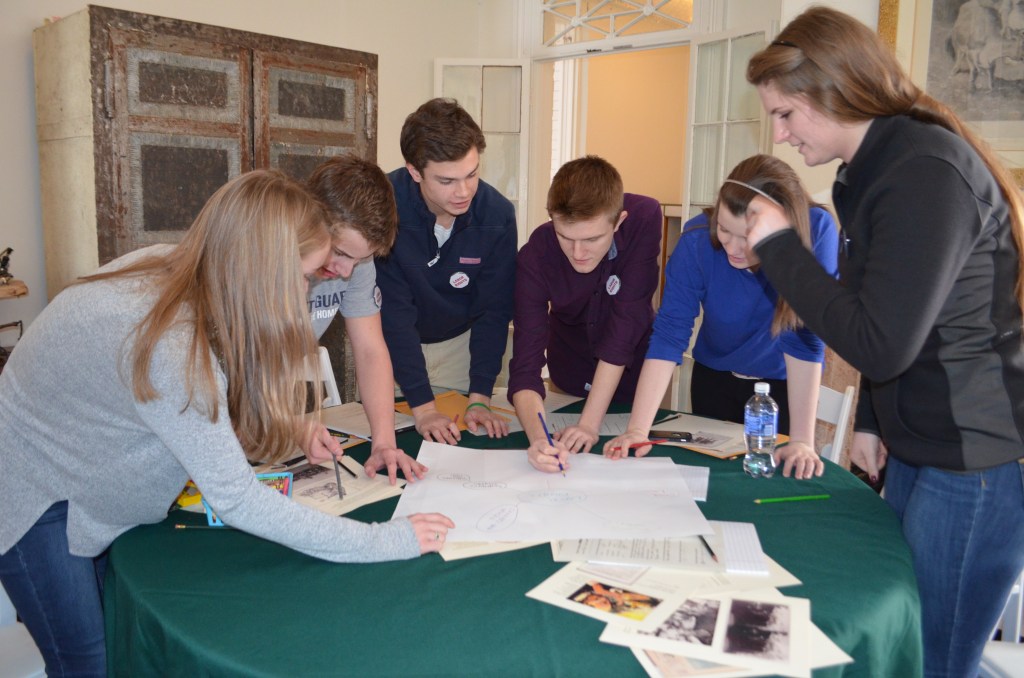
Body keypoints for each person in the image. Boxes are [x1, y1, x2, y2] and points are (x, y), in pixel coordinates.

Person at [0, 170, 454, 677]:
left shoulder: (173, 267)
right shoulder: (171, 346)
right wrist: (390, 540)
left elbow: (221, 388)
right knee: (89, 661)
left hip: (89, 471)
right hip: (34, 495)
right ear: (261, 271)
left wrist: (291, 420)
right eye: (305, 277)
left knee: (117, 628)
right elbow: (237, 499)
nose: (308, 291)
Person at [744, 7, 1024, 676]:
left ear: (835, 93)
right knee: (906, 639)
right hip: (923, 443)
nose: (780, 137)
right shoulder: (868, 170)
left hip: (976, 458)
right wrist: (871, 416)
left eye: (786, 115)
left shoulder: (924, 171)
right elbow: (885, 311)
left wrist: (781, 246)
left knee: (932, 658)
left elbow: (878, 341)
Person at [605, 155, 836, 480]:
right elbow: (670, 334)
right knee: (714, 480)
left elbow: (804, 339)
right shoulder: (698, 238)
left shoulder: (815, 232)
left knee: (768, 481)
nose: (734, 248)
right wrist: (637, 429)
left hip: (782, 386)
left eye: (749, 238)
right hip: (713, 378)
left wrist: (801, 440)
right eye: (725, 230)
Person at [376, 97, 517, 444]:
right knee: (400, 446)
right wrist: (423, 408)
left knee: (461, 449)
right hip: (392, 347)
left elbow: (494, 312)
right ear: (414, 171)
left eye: (472, 174)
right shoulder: (383, 206)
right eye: (447, 180)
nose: (464, 191)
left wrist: (480, 396)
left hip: (461, 348)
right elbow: (395, 315)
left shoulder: (496, 215)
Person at [508, 156, 661, 473]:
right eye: (566, 237)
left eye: (592, 239)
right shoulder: (536, 255)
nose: (578, 253)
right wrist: (539, 438)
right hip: (570, 378)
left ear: (618, 221)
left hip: (635, 380)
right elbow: (525, 363)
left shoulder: (644, 218)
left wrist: (589, 424)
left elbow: (626, 324)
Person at [306, 155, 422, 481]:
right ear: (310, 221)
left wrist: (384, 443)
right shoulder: (267, 259)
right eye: (341, 253)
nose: (345, 272)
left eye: (360, 261)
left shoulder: (354, 260)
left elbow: (371, 350)